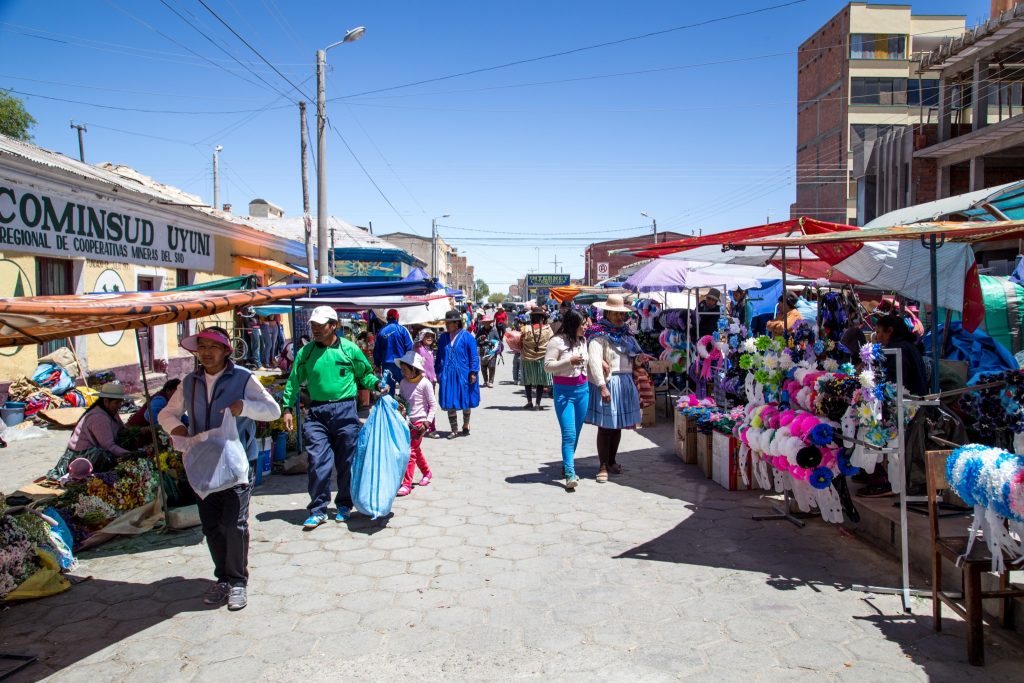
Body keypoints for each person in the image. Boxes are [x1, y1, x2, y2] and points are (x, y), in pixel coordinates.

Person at [159, 327, 281, 611]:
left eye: (213, 346)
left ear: (227, 350)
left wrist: (245, 407)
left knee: (234, 525)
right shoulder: (189, 382)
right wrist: (177, 428)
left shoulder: (242, 378)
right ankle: (223, 578)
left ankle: (238, 581)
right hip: (203, 466)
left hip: (236, 465)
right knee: (212, 526)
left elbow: (272, 410)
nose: (206, 352)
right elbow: (167, 412)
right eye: (201, 346)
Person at [281, 306, 382, 529]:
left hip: (345, 411)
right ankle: (318, 509)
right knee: (317, 461)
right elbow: (294, 381)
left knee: (346, 462)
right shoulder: (305, 352)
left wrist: (377, 385)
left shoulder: (349, 350)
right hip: (317, 413)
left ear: (333, 325)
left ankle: (344, 504)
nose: (315, 329)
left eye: (320, 325)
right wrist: (287, 407)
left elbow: (365, 375)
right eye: (313, 326)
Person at [856, 313, 928, 498]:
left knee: (871, 428)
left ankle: (882, 479)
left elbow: (895, 382)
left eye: (880, 332)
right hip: (911, 404)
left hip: (906, 408)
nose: (877, 336)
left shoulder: (897, 350)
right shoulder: (907, 347)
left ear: (891, 330)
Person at [586, 294, 644, 484]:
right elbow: (594, 362)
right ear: (608, 313)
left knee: (617, 425)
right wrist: (602, 386)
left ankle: (612, 461)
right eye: (617, 314)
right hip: (608, 383)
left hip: (625, 382)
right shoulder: (598, 335)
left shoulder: (627, 335)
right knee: (605, 426)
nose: (621, 318)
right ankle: (602, 465)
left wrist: (639, 360)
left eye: (622, 315)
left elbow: (633, 358)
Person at [46, 382, 139, 481]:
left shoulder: (111, 412)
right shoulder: (99, 417)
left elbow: (122, 430)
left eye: (120, 402)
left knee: (128, 441)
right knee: (105, 456)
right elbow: (109, 446)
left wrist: (141, 431)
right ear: (106, 401)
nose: (120, 406)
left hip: (94, 450)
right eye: (117, 403)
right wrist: (131, 454)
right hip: (80, 456)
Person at [544, 308, 589, 490]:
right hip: (563, 393)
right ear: (573, 325)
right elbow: (548, 366)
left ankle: (566, 464)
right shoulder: (556, 342)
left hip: (583, 391)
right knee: (569, 433)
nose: (586, 327)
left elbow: (586, 361)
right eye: (583, 324)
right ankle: (570, 473)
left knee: (576, 433)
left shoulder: (583, 340)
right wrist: (569, 361)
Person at [396, 351, 437, 497]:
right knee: (416, 450)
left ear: (414, 369)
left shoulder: (425, 383)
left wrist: (427, 423)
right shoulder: (403, 383)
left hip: (420, 423)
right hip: (406, 422)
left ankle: (407, 484)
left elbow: (433, 405)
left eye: (405, 370)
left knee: (411, 452)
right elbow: (401, 401)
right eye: (402, 370)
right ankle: (427, 472)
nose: (403, 372)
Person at [435, 309, 480, 439]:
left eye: (449, 323)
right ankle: (454, 430)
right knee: (449, 400)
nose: (447, 325)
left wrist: (473, 372)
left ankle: (466, 424)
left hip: (464, 374)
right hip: (447, 374)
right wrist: (438, 371)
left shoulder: (467, 337)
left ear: (456, 323)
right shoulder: (443, 338)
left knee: (465, 400)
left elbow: (474, 356)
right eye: (446, 323)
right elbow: (439, 357)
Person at [374, 309, 413, 394]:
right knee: (405, 389)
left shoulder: (381, 331)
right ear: (397, 317)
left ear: (387, 318)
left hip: (386, 365)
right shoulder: (403, 330)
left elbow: (377, 350)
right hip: (401, 365)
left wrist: (377, 364)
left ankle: (390, 407)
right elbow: (410, 348)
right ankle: (405, 406)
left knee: (387, 391)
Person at [520, 307, 553, 410]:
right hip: (542, 357)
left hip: (527, 357)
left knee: (527, 381)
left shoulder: (525, 329)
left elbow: (520, 343)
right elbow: (552, 343)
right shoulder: (548, 329)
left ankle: (529, 402)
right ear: (542, 318)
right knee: (540, 382)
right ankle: (538, 404)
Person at [476, 315, 501, 388]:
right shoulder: (480, 330)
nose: (486, 323)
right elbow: (476, 340)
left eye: (488, 322)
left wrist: (492, 343)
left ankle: (490, 381)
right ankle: (485, 381)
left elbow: (498, 340)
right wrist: (480, 339)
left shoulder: (494, 330)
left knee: (492, 366)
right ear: (483, 323)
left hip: (492, 351)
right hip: (482, 351)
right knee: (483, 367)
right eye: (485, 322)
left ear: (490, 322)